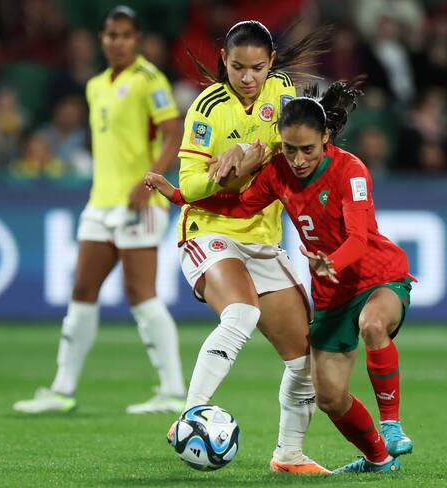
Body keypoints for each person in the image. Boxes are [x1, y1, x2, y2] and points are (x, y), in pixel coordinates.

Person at [147, 79, 415, 473]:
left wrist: (331, 264)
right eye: (290, 149)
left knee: (372, 323)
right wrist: (177, 196)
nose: (299, 159)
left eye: (308, 149)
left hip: (375, 276)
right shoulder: (277, 172)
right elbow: (238, 207)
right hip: (331, 294)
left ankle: (392, 425)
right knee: (329, 396)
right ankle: (378, 458)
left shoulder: (350, 169)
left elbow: (358, 239)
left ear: (325, 137)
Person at [165, 20, 333, 474]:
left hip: (262, 241)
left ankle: (289, 455)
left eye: (256, 68)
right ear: (224, 62)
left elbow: (299, 149)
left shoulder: (283, 94)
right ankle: (189, 415)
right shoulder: (208, 107)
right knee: (242, 313)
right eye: (237, 67)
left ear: (271, 64)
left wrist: (267, 149)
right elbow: (188, 183)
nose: (247, 78)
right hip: (210, 231)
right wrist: (224, 173)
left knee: (304, 357)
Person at [13, 6, 186, 415]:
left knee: (140, 294)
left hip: (139, 202)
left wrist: (150, 181)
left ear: (137, 39)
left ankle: (173, 390)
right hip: (100, 203)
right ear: (102, 39)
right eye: (111, 35)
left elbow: (174, 133)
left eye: (126, 35)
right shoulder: (94, 86)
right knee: (81, 291)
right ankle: (62, 389)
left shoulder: (150, 79)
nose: (118, 42)